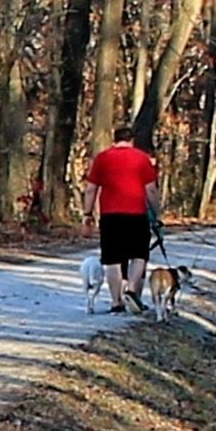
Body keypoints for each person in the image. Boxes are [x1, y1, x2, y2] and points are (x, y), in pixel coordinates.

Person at [83, 122, 161, 314]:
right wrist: (157, 213)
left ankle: (116, 302)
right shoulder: (142, 159)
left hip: (110, 216)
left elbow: (91, 189)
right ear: (131, 140)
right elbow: (150, 190)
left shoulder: (102, 158)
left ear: (114, 140)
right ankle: (132, 292)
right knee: (138, 255)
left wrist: (87, 213)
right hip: (136, 214)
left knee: (112, 259)